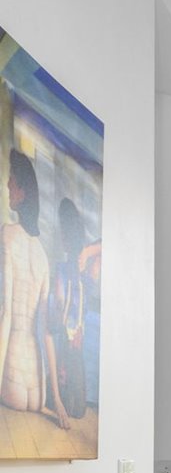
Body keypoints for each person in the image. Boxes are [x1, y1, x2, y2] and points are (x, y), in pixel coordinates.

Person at [0, 148, 67, 428]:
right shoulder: (41, 254)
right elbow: (46, 331)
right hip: (36, 391)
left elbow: (5, 313)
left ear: (23, 191)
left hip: (12, 377)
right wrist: (57, 402)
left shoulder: (7, 234)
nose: (7, 185)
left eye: (12, 181)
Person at [50, 198, 89, 420]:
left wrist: (78, 330)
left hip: (75, 337)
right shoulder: (62, 269)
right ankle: (59, 386)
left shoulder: (82, 267)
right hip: (64, 334)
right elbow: (59, 307)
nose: (62, 238)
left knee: (79, 410)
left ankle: (66, 388)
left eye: (64, 233)